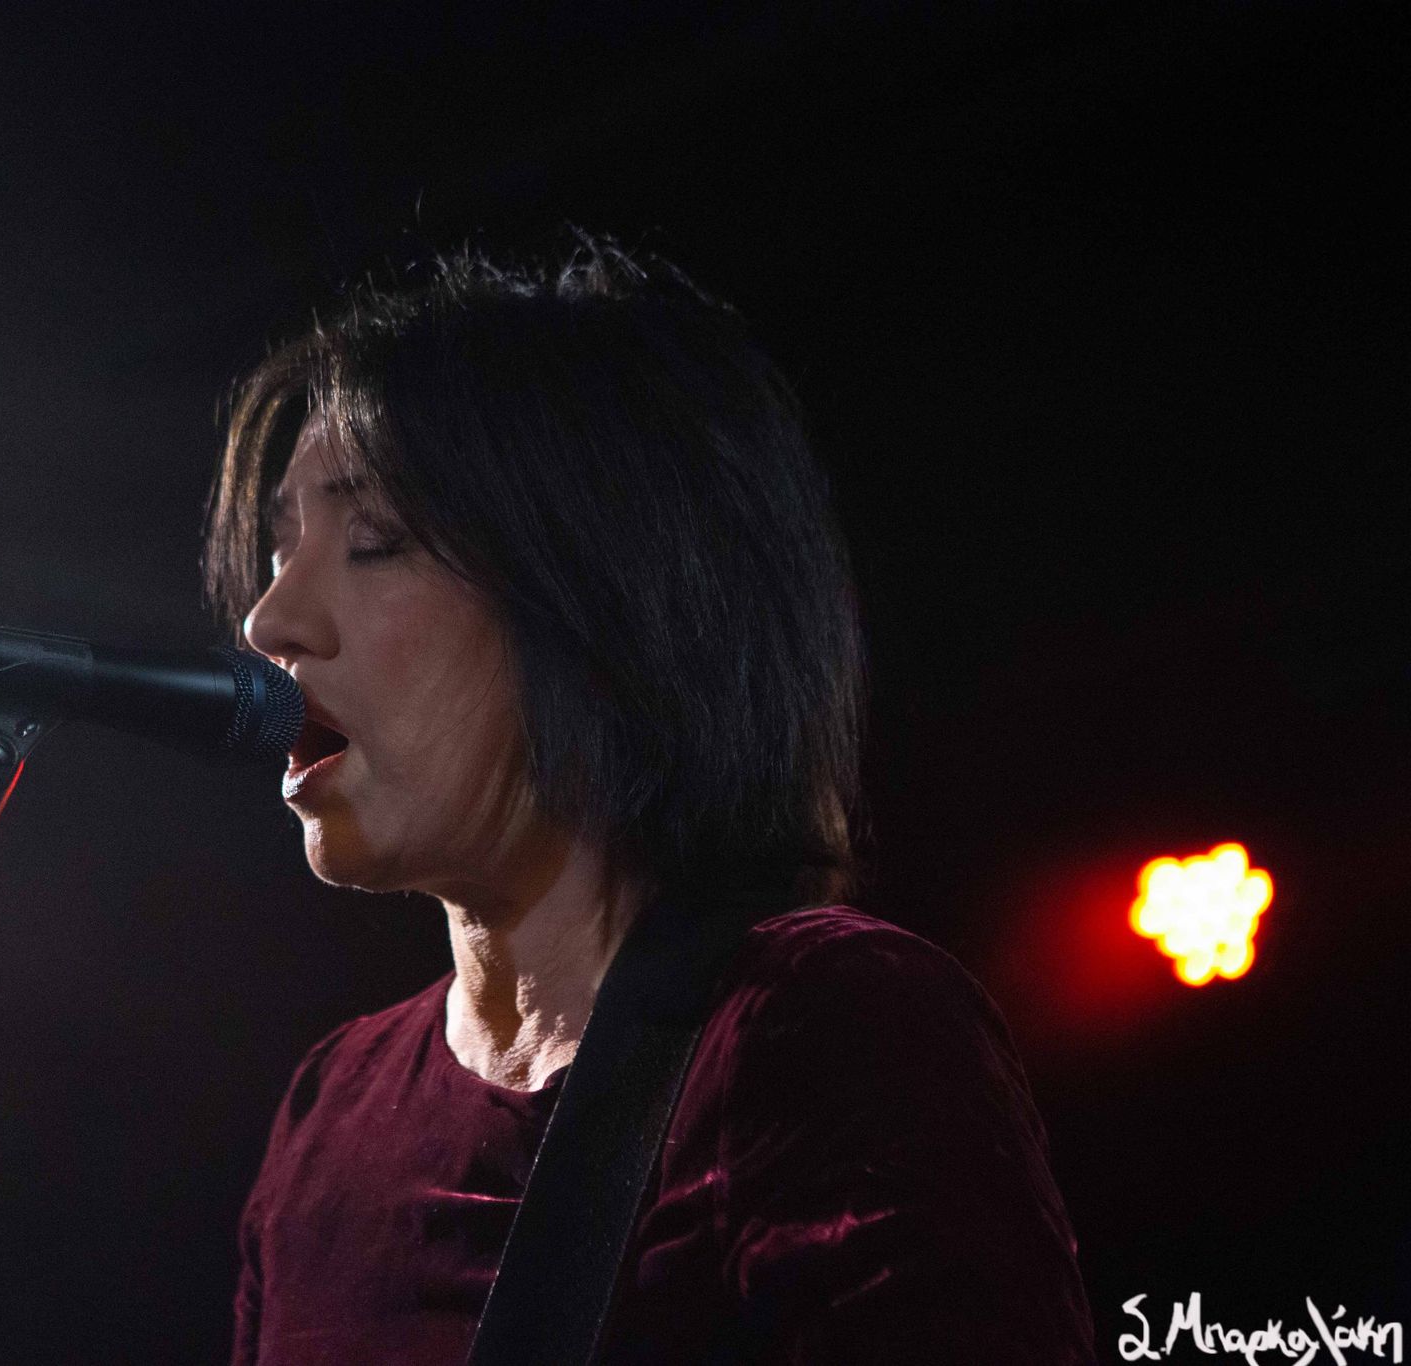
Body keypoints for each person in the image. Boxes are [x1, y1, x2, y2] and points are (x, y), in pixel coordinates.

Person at [202, 237, 1097, 1364]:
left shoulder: (819, 1027)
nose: (269, 620)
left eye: (373, 542)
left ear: (600, 596)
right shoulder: (327, 1115)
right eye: (278, 549)